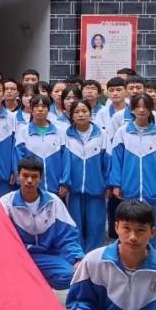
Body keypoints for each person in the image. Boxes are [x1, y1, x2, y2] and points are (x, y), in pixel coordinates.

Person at [0, 156, 84, 289]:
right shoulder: (6, 203)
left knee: (71, 275)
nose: (29, 181)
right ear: (18, 176)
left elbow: (68, 236)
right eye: (25, 176)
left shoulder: (53, 201)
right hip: (18, 257)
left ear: (40, 178)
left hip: (47, 256)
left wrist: (77, 259)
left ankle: (39, 288)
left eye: (34, 177)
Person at [109, 93, 156, 236]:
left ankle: (151, 250)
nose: (141, 110)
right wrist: (116, 184)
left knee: (150, 228)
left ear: (151, 109)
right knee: (128, 227)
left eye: (145, 107)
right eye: (137, 107)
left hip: (153, 191)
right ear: (131, 110)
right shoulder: (122, 132)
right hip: (128, 190)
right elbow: (116, 161)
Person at [64, 99, 111, 254]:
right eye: (76, 112)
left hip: (97, 189)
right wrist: (65, 182)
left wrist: (108, 184)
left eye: (84, 111)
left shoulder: (101, 134)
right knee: (74, 224)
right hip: (74, 189)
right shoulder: (66, 135)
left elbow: (108, 161)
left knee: (96, 225)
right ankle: (77, 255)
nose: (81, 115)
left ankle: (94, 255)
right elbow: (64, 162)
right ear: (71, 115)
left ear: (91, 114)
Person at [16, 94, 70, 198]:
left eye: (44, 106)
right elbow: (19, 159)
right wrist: (22, 181)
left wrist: (64, 182)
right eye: (36, 106)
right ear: (31, 109)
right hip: (31, 186)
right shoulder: (23, 131)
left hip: (56, 187)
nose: (40, 109)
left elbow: (66, 160)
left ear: (48, 109)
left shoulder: (60, 132)